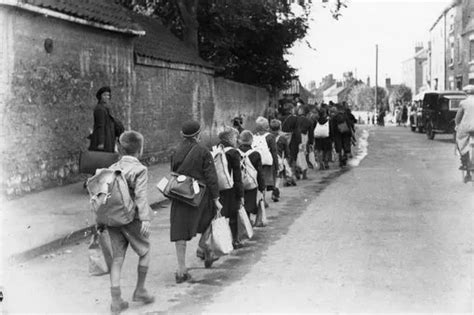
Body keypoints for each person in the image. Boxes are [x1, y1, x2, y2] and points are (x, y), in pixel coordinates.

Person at [105, 131, 154, 314]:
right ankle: (140, 290)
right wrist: (145, 218)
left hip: (113, 219)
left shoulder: (112, 167)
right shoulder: (140, 169)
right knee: (145, 251)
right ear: (140, 150)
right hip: (131, 219)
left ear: (119, 148)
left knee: (117, 259)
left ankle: (116, 301)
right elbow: (141, 196)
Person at [170, 121, 220, 283]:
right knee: (209, 219)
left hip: (179, 194)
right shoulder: (204, 151)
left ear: (182, 135)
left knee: (179, 230)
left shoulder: (176, 151)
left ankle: (181, 269)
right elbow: (212, 178)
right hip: (199, 196)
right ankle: (205, 248)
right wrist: (216, 199)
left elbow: (174, 172)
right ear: (198, 134)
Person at [216, 127, 244, 248]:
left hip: (218, 187)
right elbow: (237, 176)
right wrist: (241, 194)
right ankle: (235, 240)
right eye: (235, 137)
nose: (236, 140)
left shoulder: (216, 149)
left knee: (221, 215)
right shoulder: (233, 152)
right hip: (231, 188)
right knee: (233, 215)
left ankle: (221, 240)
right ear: (230, 138)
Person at [238, 130, 265, 221]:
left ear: (240, 140)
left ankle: (242, 222)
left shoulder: (235, 153)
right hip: (252, 183)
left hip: (239, 182)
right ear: (251, 140)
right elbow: (259, 172)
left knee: (241, 204)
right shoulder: (255, 154)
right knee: (250, 203)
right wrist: (261, 187)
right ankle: (249, 220)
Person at [89, 86, 124, 152]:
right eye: (104, 95)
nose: (107, 97)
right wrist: (100, 143)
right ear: (100, 97)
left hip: (109, 139)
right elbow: (100, 126)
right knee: (103, 159)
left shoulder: (106, 108)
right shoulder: (99, 109)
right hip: (104, 142)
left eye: (108, 95)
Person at [254, 117, 278, 205]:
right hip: (267, 162)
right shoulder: (270, 137)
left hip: (257, 161)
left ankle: (260, 199)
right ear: (266, 126)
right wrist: (276, 165)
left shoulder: (255, 136)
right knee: (264, 181)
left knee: (259, 180)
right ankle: (263, 200)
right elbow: (274, 152)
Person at [455, 85, 474, 182]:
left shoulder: (463, 103)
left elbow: (458, 118)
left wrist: (457, 124)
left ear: (466, 93)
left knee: (459, 140)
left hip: (466, 128)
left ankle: (463, 160)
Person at [278, 102, 300, 185]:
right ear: (291, 109)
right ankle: (292, 177)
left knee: (284, 159)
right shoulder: (294, 118)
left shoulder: (280, 118)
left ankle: (285, 179)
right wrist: (299, 142)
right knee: (292, 158)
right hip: (293, 141)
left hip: (282, 141)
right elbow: (297, 131)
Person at [269, 119, 290, 202]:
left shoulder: (268, 137)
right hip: (278, 159)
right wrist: (287, 158)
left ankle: (273, 188)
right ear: (280, 127)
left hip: (269, 158)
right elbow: (287, 151)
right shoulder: (283, 138)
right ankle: (276, 188)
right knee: (278, 175)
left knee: (272, 174)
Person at [314, 105, 332, 170]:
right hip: (327, 138)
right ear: (325, 113)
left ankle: (321, 163)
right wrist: (332, 138)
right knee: (326, 150)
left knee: (319, 151)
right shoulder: (328, 121)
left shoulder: (316, 121)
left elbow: (314, 129)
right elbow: (331, 129)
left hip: (318, 138)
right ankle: (326, 163)